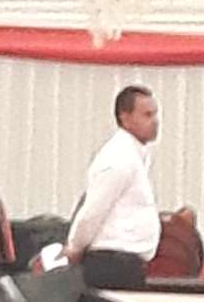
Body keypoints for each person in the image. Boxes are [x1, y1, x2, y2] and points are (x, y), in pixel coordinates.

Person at [65, 85, 161, 288]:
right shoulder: (119, 158)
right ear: (125, 118)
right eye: (147, 115)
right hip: (112, 265)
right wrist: (74, 248)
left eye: (155, 114)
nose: (155, 121)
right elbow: (93, 211)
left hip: (124, 264)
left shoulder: (134, 156)